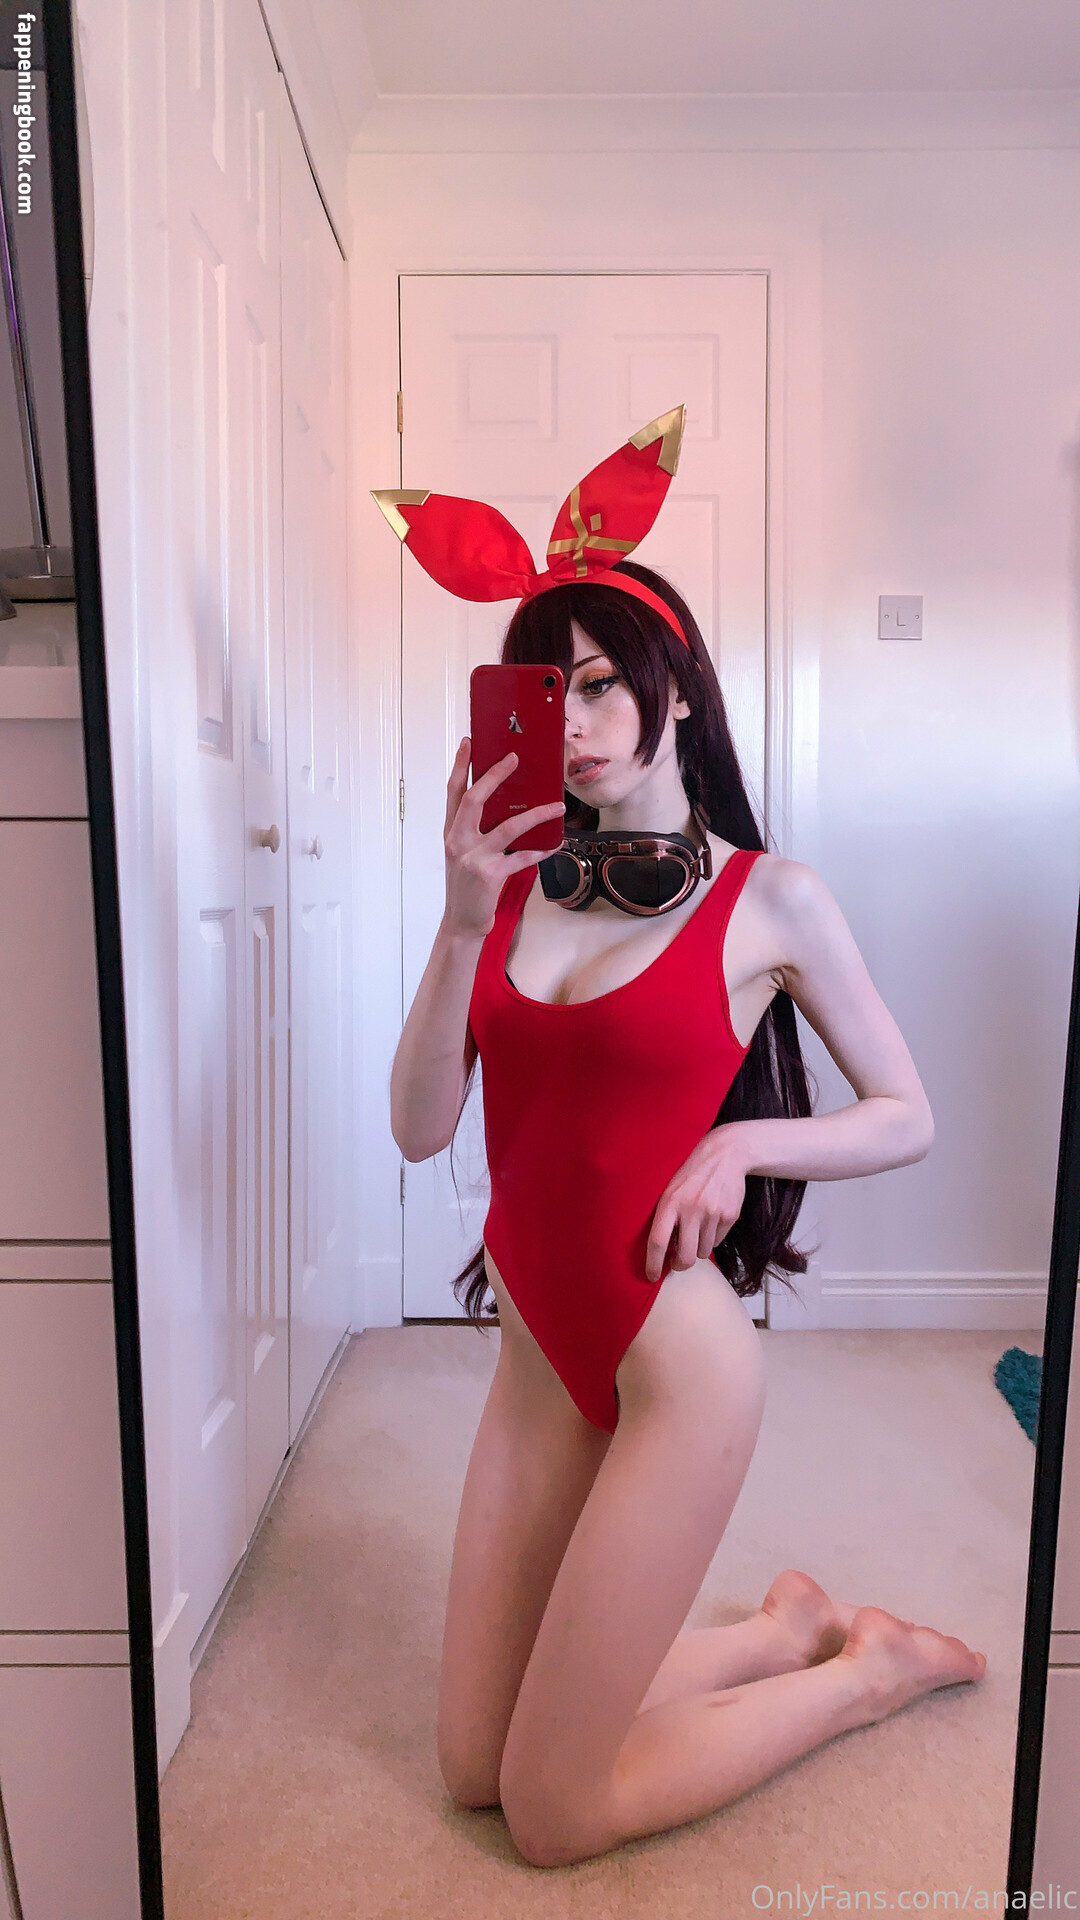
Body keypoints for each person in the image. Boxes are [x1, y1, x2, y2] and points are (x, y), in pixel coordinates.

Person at [378, 415, 985, 1869]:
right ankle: (778, 1628)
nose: (574, 723)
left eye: (601, 685)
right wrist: (458, 926)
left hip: (676, 1367)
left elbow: (908, 1114)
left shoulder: (772, 899)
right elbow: (418, 1130)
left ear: (676, 691)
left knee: (550, 1814)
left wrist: (741, 1148)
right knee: (470, 1766)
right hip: (537, 1359)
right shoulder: (504, 890)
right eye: (547, 693)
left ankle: (863, 1674)